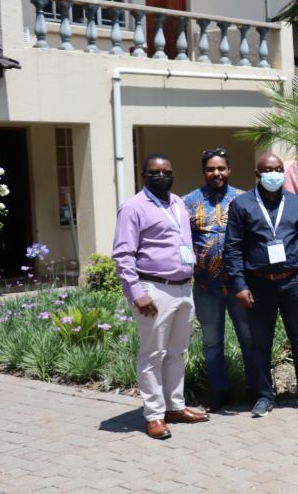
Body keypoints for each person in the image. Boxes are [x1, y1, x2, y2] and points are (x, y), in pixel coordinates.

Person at [223, 153, 298, 417]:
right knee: (260, 343)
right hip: (258, 284)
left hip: (293, 282)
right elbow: (233, 248)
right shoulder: (242, 205)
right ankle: (264, 395)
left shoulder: (294, 202)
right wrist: (239, 285)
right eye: (268, 170)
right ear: (257, 175)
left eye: (278, 169)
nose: (274, 174)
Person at [113, 153, 210, 439]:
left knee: (177, 351)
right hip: (154, 289)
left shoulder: (178, 202)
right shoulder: (132, 207)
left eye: (167, 172)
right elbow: (123, 254)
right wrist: (136, 292)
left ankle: (175, 406)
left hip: (183, 287)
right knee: (153, 354)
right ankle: (154, 415)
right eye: (154, 172)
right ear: (143, 175)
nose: (161, 177)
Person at [183, 147, 253, 413]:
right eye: (211, 169)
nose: (216, 173)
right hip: (205, 286)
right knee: (212, 342)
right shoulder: (188, 202)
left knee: (249, 338)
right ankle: (219, 391)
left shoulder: (244, 199)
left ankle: (256, 388)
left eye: (221, 168)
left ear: (229, 170)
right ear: (204, 172)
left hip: (239, 286)